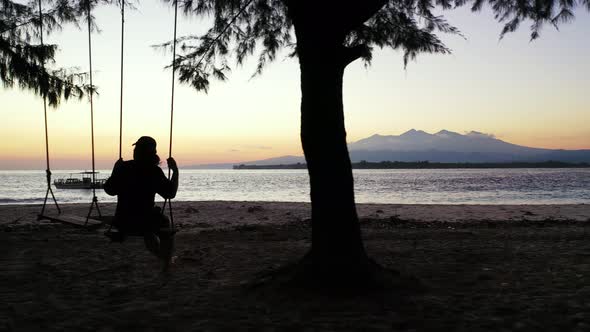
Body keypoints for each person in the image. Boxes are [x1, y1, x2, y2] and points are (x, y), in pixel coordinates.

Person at [104, 136, 179, 271]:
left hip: (123, 221)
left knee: (149, 232)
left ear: (139, 152)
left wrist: (115, 170)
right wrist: (175, 171)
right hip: (146, 221)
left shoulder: (124, 168)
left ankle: (164, 257)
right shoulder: (154, 171)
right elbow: (170, 193)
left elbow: (110, 190)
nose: (134, 150)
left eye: (137, 148)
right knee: (163, 224)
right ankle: (166, 261)